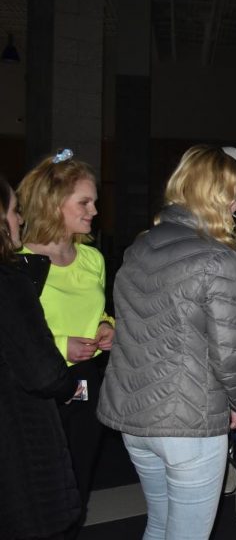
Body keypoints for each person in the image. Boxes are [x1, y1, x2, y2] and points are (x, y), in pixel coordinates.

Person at [97, 145, 236, 539]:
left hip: (135, 419)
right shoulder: (217, 258)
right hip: (188, 419)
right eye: (232, 195)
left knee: (160, 524)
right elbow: (229, 349)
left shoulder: (138, 246)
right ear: (212, 196)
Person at [17, 149, 115, 534]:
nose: (93, 211)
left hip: (86, 381)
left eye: (94, 202)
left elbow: (98, 310)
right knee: (39, 489)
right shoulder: (19, 261)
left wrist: (108, 326)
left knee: (79, 482)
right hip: (37, 387)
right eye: (84, 202)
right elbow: (11, 334)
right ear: (54, 204)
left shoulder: (92, 259)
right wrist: (60, 345)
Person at [0, 176, 83, 540]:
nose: (19, 219)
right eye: (14, 211)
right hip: (20, 432)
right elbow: (44, 372)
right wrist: (70, 385)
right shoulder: (10, 280)